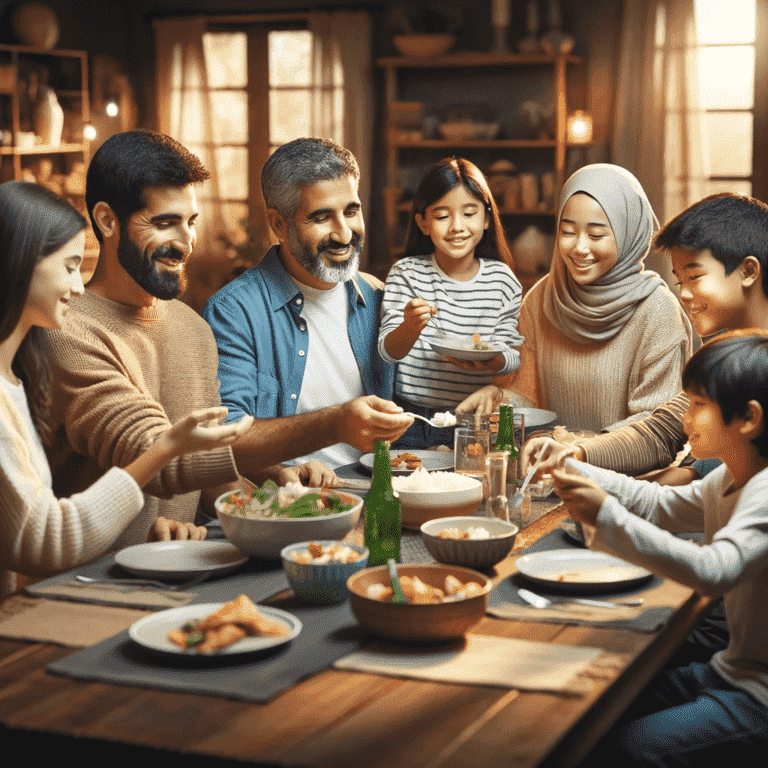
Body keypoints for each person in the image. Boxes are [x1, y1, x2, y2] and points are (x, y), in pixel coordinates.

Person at [0, 181, 253, 594]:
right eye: (69, 267)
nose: (79, 286)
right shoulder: (52, 353)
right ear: (21, 263)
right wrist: (165, 448)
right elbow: (45, 541)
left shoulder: (14, 378)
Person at [553, 330, 768, 766]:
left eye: (698, 405)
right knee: (587, 702)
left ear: (748, 418)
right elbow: (657, 504)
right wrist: (568, 463)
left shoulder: (765, 489)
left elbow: (714, 570)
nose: (685, 418)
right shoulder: (728, 477)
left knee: (629, 748)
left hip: (759, 698)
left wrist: (605, 516)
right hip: (727, 672)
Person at [39, 130, 259, 551]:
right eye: (164, 223)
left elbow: (205, 467)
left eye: (190, 222)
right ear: (107, 221)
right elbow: (158, 451)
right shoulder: (63, 332)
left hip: (175, 571)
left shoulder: (194, 328)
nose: (186, 242)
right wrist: (329, 425)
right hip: (86, 588)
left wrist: (282, 508)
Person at [522, 192, 768, 479]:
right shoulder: (726, 356)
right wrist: (578, 453)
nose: (684, 294)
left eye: (695, 277)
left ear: (748, 271)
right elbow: (664, 429)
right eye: (679, 281)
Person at [203, 137, 412, 471]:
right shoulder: (233, 312)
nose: (344, 235)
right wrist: (334, 424)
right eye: (321, 217)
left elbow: (412, 403)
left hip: (381, 490)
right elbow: (225, 441)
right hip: (289, 508)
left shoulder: (378, 297)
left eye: (351, 211)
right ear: (278, 225)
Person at [457, 164, 692, 434]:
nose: (579, 248)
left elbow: (657, 428)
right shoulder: (542, 298)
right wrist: (502, 401)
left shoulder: (658, 311)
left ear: (629, 234)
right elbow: (527, 397)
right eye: (567, 232)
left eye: (596, 235)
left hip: (626, 475)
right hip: (546, 468)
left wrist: (579, 450)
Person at [377, 157, 524, 449]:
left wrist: (486, 359)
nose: (457, 226)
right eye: (442, 216)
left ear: (485, 218)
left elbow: (511, 356)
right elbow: (388, 352)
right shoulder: (406, 273)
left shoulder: (502, 280)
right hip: (409, 420)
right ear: (423, 223)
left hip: (473, 422)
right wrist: (409, 326)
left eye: (469, 213)